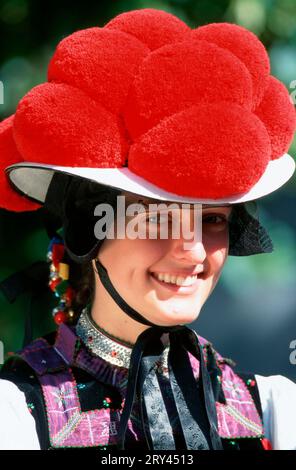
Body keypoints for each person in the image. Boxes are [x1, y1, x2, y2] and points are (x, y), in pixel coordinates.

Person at [0, 8, 296, 451]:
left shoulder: (275, 410)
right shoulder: (15, 413)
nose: (194, 251)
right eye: (156, 217)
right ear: (90, 230)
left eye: (213, 219)